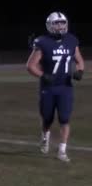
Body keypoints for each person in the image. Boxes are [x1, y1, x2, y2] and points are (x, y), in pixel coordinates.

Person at [26, 11, 85, 162]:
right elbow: (30, 65)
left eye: (62, 23)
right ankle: (45, 136)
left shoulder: (72, 40)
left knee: (65, 118)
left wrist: (80, 71)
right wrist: (43, 76)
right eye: (57, 23)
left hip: (65, 87)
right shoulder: (43, 42)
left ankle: (62, 150)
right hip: (48, 87)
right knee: (47, 118)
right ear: (50, 25)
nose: (60, 26)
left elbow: (79, 60)